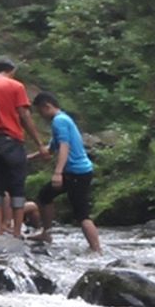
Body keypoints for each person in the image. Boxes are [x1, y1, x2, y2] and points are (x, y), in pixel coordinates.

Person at [0, 57, 46, 238]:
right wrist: (39, 142)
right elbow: (24, 115)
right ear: (12, 70)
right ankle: (16, 232)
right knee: (17, 187)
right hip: (11, 141)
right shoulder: (16, 86)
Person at [32, 92, 101, 253]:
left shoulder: (59, 121)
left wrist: (57, 173)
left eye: (40, 111)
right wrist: (27, 158)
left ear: (46, 106)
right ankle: (46, 233)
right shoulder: (62, 119)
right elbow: (51, 149)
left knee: (81, 213)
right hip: (75, 172)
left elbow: (64, 146)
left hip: (77, 173)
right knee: (44, 196)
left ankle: (96, 249)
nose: (40, 115)